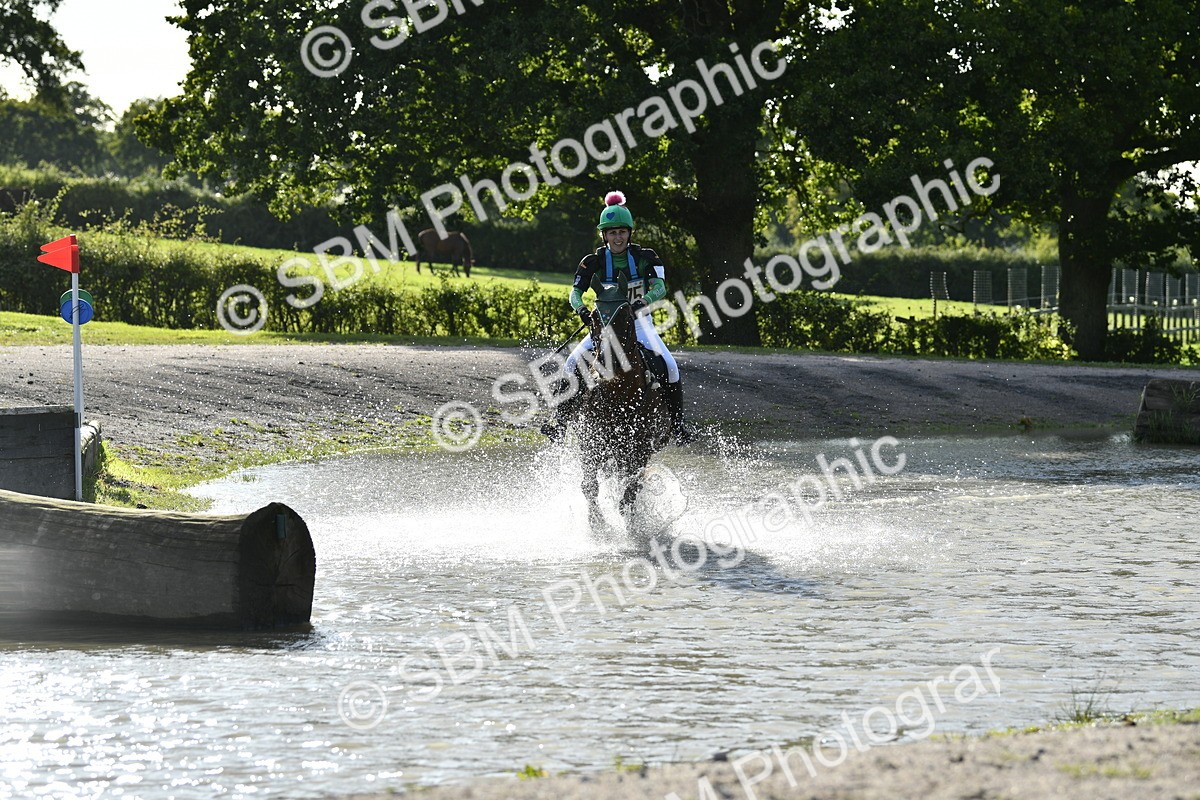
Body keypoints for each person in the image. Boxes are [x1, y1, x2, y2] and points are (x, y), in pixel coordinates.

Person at [541, 191, 693, 444]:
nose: (617, 237)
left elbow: (660, 287)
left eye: (622, 231)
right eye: (612, 232)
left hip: (639, 323)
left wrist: (642, 302)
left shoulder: (645, 258)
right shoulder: (593, 262)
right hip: (601, 326)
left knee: (671, 366)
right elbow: (575, 293)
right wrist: (581, 310)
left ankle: (677, 426)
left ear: (629, 233)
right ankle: (560, 423)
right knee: (570, 365)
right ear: (604, 235)